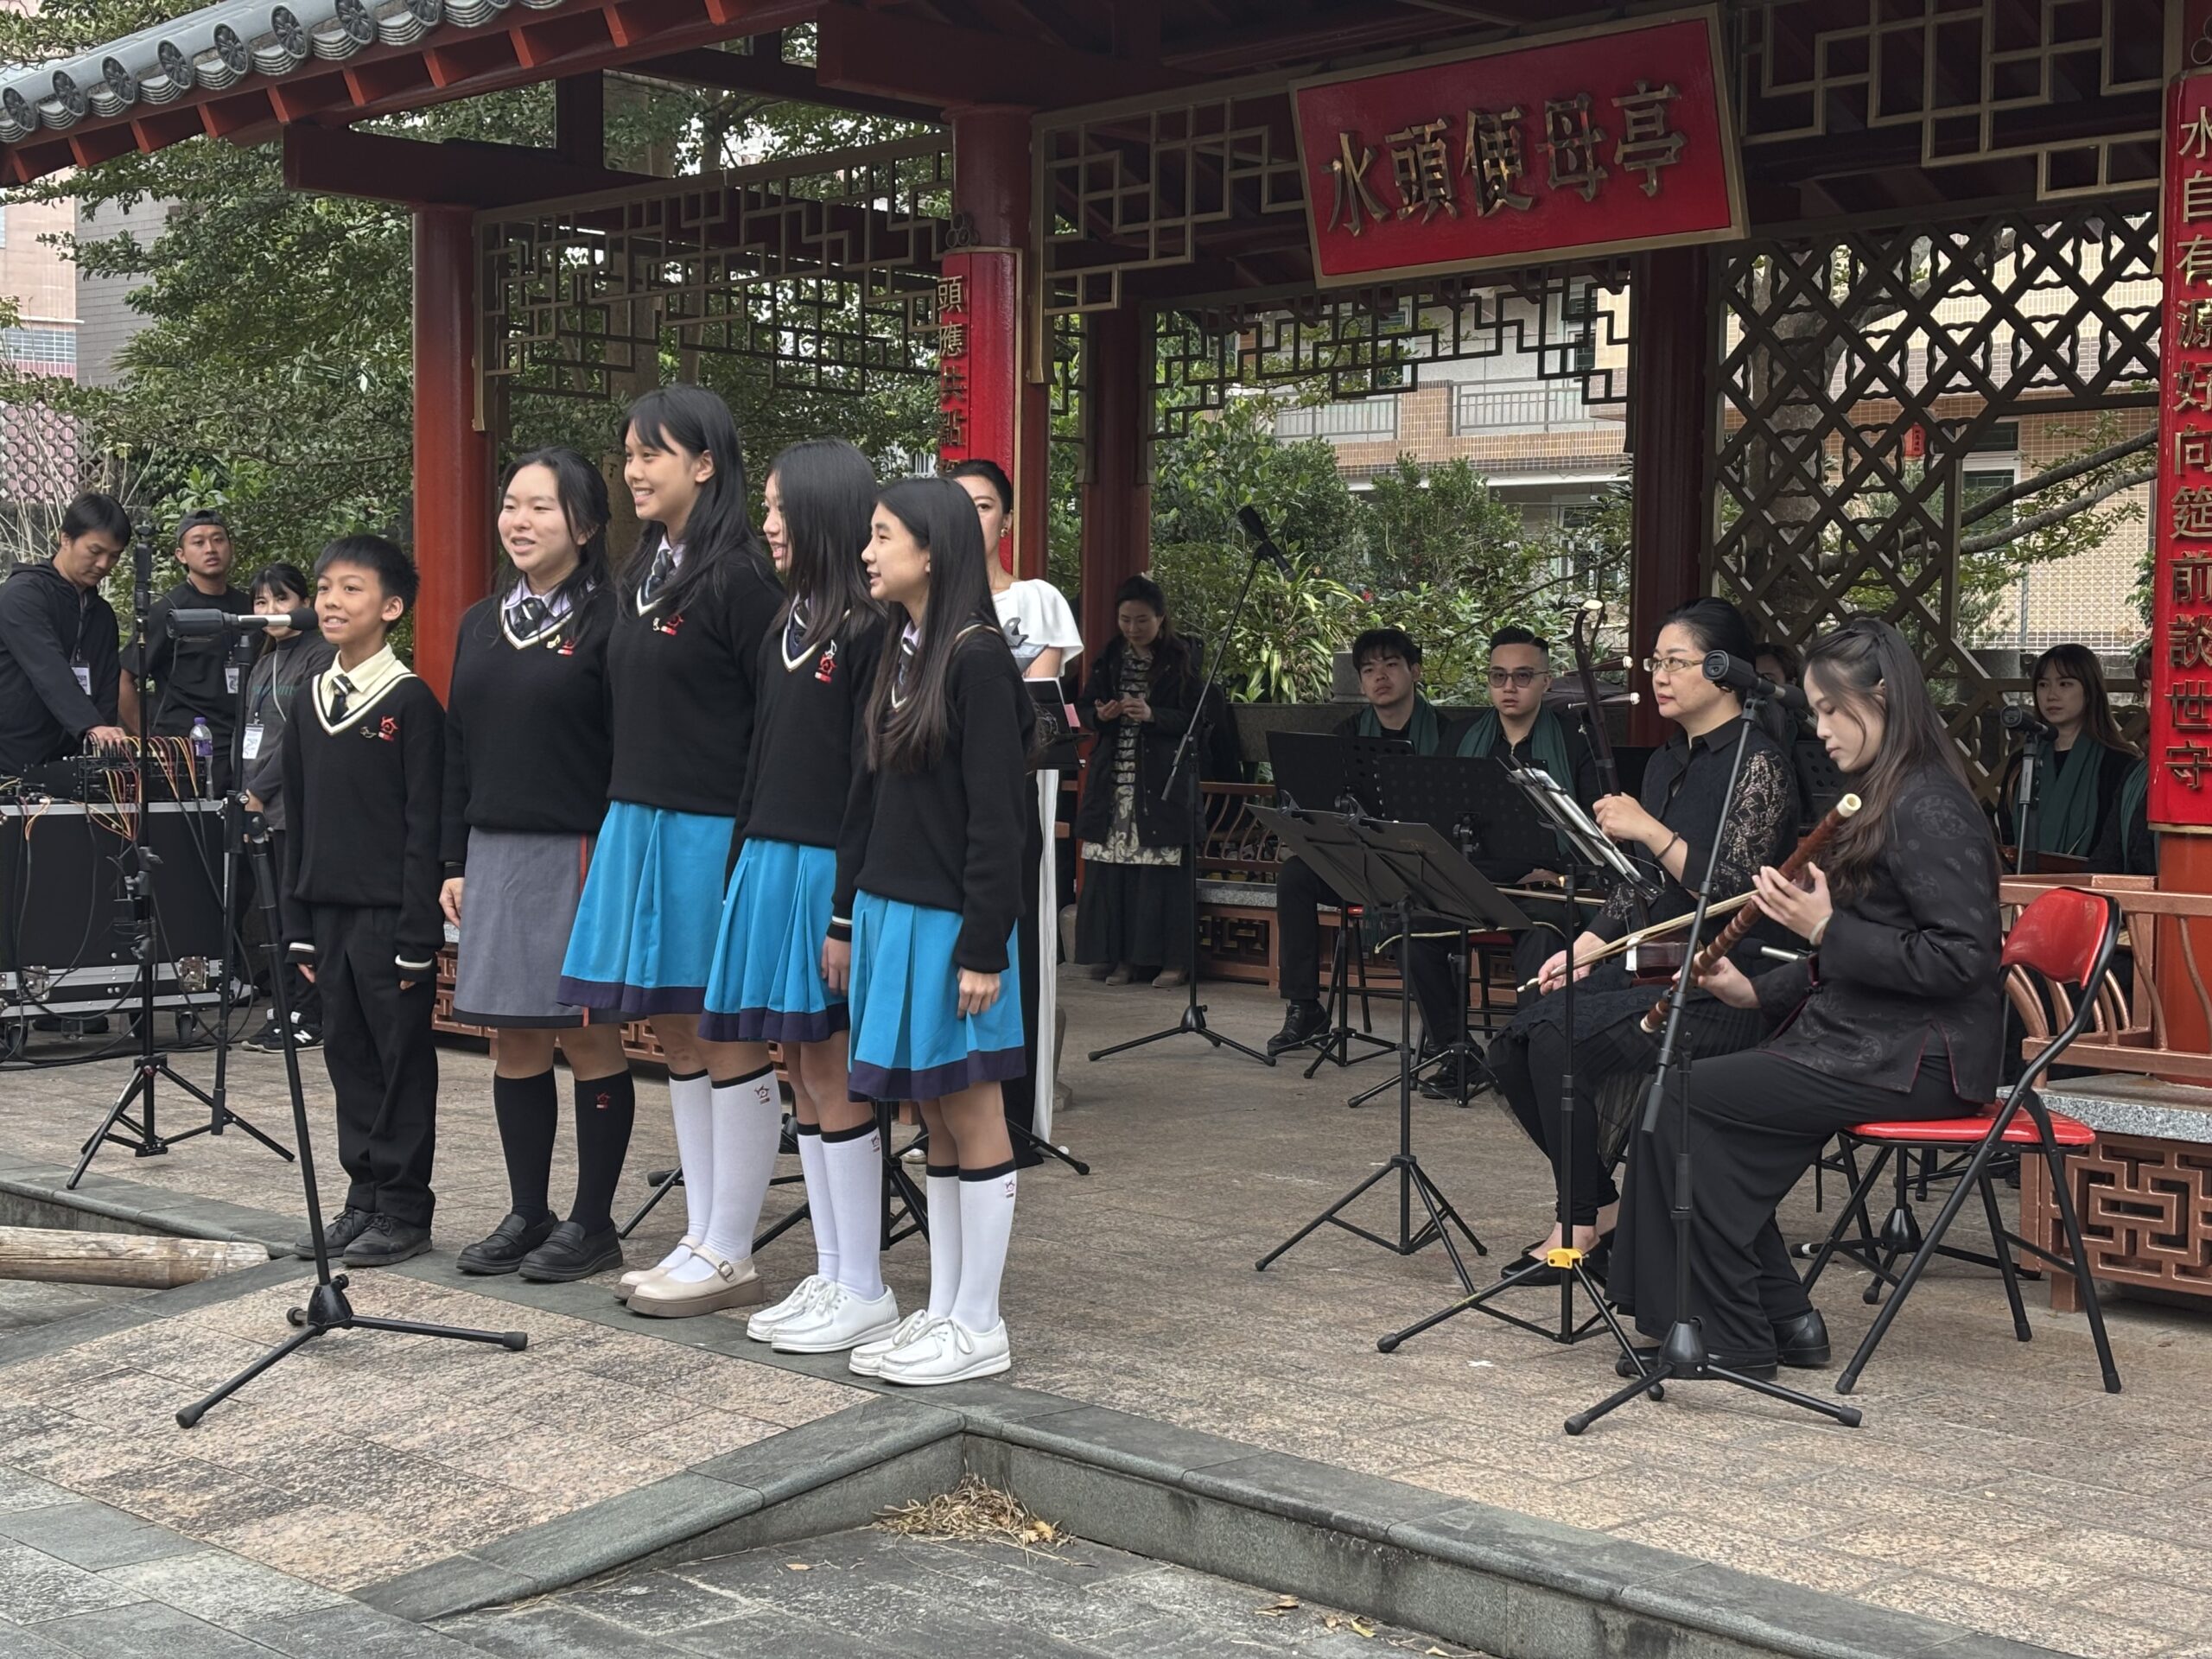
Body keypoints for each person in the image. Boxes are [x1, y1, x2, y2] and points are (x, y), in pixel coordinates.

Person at [1609, 617, 2001, 1376]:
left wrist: (1822, 928)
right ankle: (1781, 1318)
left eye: (1830, 709)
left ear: (1880, 698)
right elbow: (1857, 947)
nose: (1819, 730)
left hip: (1922, 1058)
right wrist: (1753, 989)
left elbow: (1962, 961)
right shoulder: (1889, 793)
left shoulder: (1932, 805)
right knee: (1684, 1109)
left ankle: (1731, 1334)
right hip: (1870, 1039)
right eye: (1814, 711)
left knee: (1682, 1103)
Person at [557, 385, 786, 1319]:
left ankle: (732, 1250)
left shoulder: (742, 579)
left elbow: (775, 724)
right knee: (676, 1033)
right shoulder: (643, 570)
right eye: (628, 453)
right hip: (640, 822)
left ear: (706, 463)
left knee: (725, 1032)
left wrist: (748, 842)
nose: (633, 470)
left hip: (710, 830)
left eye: (652, 453)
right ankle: (701, 1236)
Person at [1488, 599, 1796, 1285]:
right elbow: (1638, 886)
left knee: (1557, 1040)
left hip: (1724, 981)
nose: (1659, 676)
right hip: (1651, 962)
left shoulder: (1759, 764)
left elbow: (1734, 890)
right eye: (1655, 662)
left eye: (1676, 662)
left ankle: (1575, 1226)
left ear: (1722, 671)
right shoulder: (1664, 763)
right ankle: (1603, 1207)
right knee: (1513, 1042)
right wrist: (1586, 945)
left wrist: (1650, 830)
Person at [834, 476, 1035, 1387]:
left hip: (955, 925)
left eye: (883, 536)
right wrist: (849, 914)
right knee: (936, 1116)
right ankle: (946, 1308)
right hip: (893, 914)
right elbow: (867, 797)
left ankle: (980, 1322)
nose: (867, 552)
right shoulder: (900, 647)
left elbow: (999, 818)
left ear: (932, 548)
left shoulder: (976, 658)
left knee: (973, 1107)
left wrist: (985, 944)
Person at [699, 438, 893, 1355]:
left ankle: (865, 1283)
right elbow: (758, 763)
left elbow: (867, 782)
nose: (768, 524)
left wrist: (846, 910)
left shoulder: (868, 631)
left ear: (822, 512)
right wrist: (740, 866)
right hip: (771, 865)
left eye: (780, 508)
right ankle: (831, 1270)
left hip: (827, 874)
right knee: (803, 1073)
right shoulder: (788, 620)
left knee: (836, 1068)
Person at [442, 448, 636, 1283]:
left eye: (541, 508)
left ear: (585, 526)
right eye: (510, 505)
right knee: (513, 1038)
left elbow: (630, 748)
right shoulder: (479, 622)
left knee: (588, 1036)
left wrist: (620, 859)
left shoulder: (614, 620)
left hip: (581, 848)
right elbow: (458, 746)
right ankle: (529, 1212)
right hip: (494, 851)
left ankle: (593, 1221)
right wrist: (452, 857)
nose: (518, 522)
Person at [281, 536, 445, 1268]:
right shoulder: (307, 699)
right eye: (324, 588)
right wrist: (298, 926)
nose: (331, 601)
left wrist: (418, 933)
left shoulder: (411, 702)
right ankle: (364, 1195)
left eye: (351, 589)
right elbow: (298, 819)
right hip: (327, 914)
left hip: (389, 919)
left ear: (392, 608)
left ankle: (405, 1207)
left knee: (399, 1058)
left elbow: (424, 824)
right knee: (346, 1056)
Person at [950, 457, 1081, 1170]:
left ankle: (1016, 1114)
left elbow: (1036, 707)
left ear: (1006, 518)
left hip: (1017, 792)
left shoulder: (1037, 599)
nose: (972, 517)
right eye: (958, 504)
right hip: (944, 802)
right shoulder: (926, 605)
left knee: (1016, 936)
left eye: (984, 505)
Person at [1266, 627, 1461, 1058]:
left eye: (1391, 665)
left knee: (1413, 908)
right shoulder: (1348, 733)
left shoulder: (1448, 735)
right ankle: (1304, 1007)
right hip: (1361, 864)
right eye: (1369, 670)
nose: (1380, 676)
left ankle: (1443, 1034)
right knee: (1296, 876)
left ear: (1415, 671)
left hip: (1422, 870)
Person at [1453, 625, 1604, 990]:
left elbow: (1594, 829)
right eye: (1498, 676)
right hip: (1475, 882)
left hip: (1544, 888)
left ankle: (1535, 1026)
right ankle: (1445, 1029)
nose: (1509, 686)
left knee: (1544, 929)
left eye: (1522, 676)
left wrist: (1559, 874)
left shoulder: (1576, 740)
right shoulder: (1459, 737)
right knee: (1412, 926)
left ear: (1546, 682)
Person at [1073, 577, 1202, 988]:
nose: (1132, 628)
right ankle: (1123, 958)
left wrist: (1152, 715)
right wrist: (1101, 715)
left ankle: (1172, 961)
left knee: (1160, 877)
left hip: (1160, 782)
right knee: (1117, 875)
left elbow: (1198, 719)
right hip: (1115, 781)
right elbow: (1083, 707)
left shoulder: (1182, 658)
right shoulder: (1110, 656)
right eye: (1125, 620)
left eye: (1142, 620)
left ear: (1161, 618)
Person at [238, 562, 334, 1054]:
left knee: (298, 914)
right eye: (261, 601)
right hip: (259, 805)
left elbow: (299, 737)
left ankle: (308, 1013)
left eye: (282, 599)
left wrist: (261, 789)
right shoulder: (261, 662)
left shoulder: (321, 656)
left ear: (305, 604)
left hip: (293, 805)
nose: (271, 610)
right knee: (272, 913)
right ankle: (282, 1005)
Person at [0, 493, 130, 775]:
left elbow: (107, 687)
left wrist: (102, 745)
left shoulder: (102, 615)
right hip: (11, 760)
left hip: (70, 762)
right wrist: (91, 726)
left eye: (114, 556)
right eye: (95, 551)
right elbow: (48, 669)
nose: (103, 564)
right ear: (66, 539)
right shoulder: (22, 596)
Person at [123, 511, 251, 774]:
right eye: (198, 542)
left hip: (243, 747)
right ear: (181, 555)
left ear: (231, 547)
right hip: (185, 752)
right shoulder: (168, 611)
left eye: (218, 540)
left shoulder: (247, 607)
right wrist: (149, 741)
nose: (210, 549)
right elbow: (123, 679)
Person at [1998, 643, 2137, 861]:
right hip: (2023, 879)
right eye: (2043, 685)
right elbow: (2007, 833)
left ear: (2089, 691)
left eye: (2064, 684)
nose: (2051, 695)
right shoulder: (2022, 761)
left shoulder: (2120, 763)